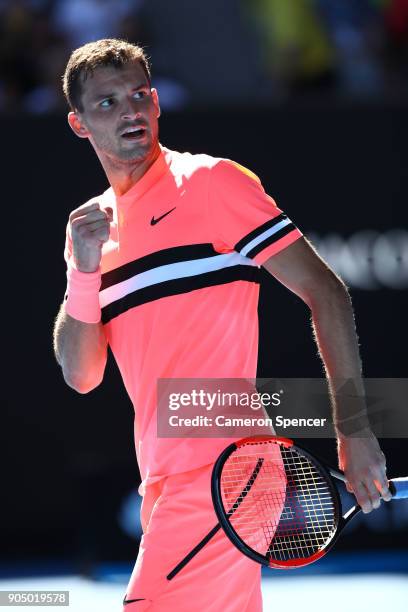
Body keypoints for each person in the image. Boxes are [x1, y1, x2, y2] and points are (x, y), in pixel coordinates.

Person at [53, 39, 391, 611]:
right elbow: (81, 373)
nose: (130, 111)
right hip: (162, 482)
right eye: (107, 103)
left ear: (157, 103)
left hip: (228, 473)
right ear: (79, 124)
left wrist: (354, 431)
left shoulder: (213, 183)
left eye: (139, 95)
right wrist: (84, 269)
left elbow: (326, 292)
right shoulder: (91, 231)